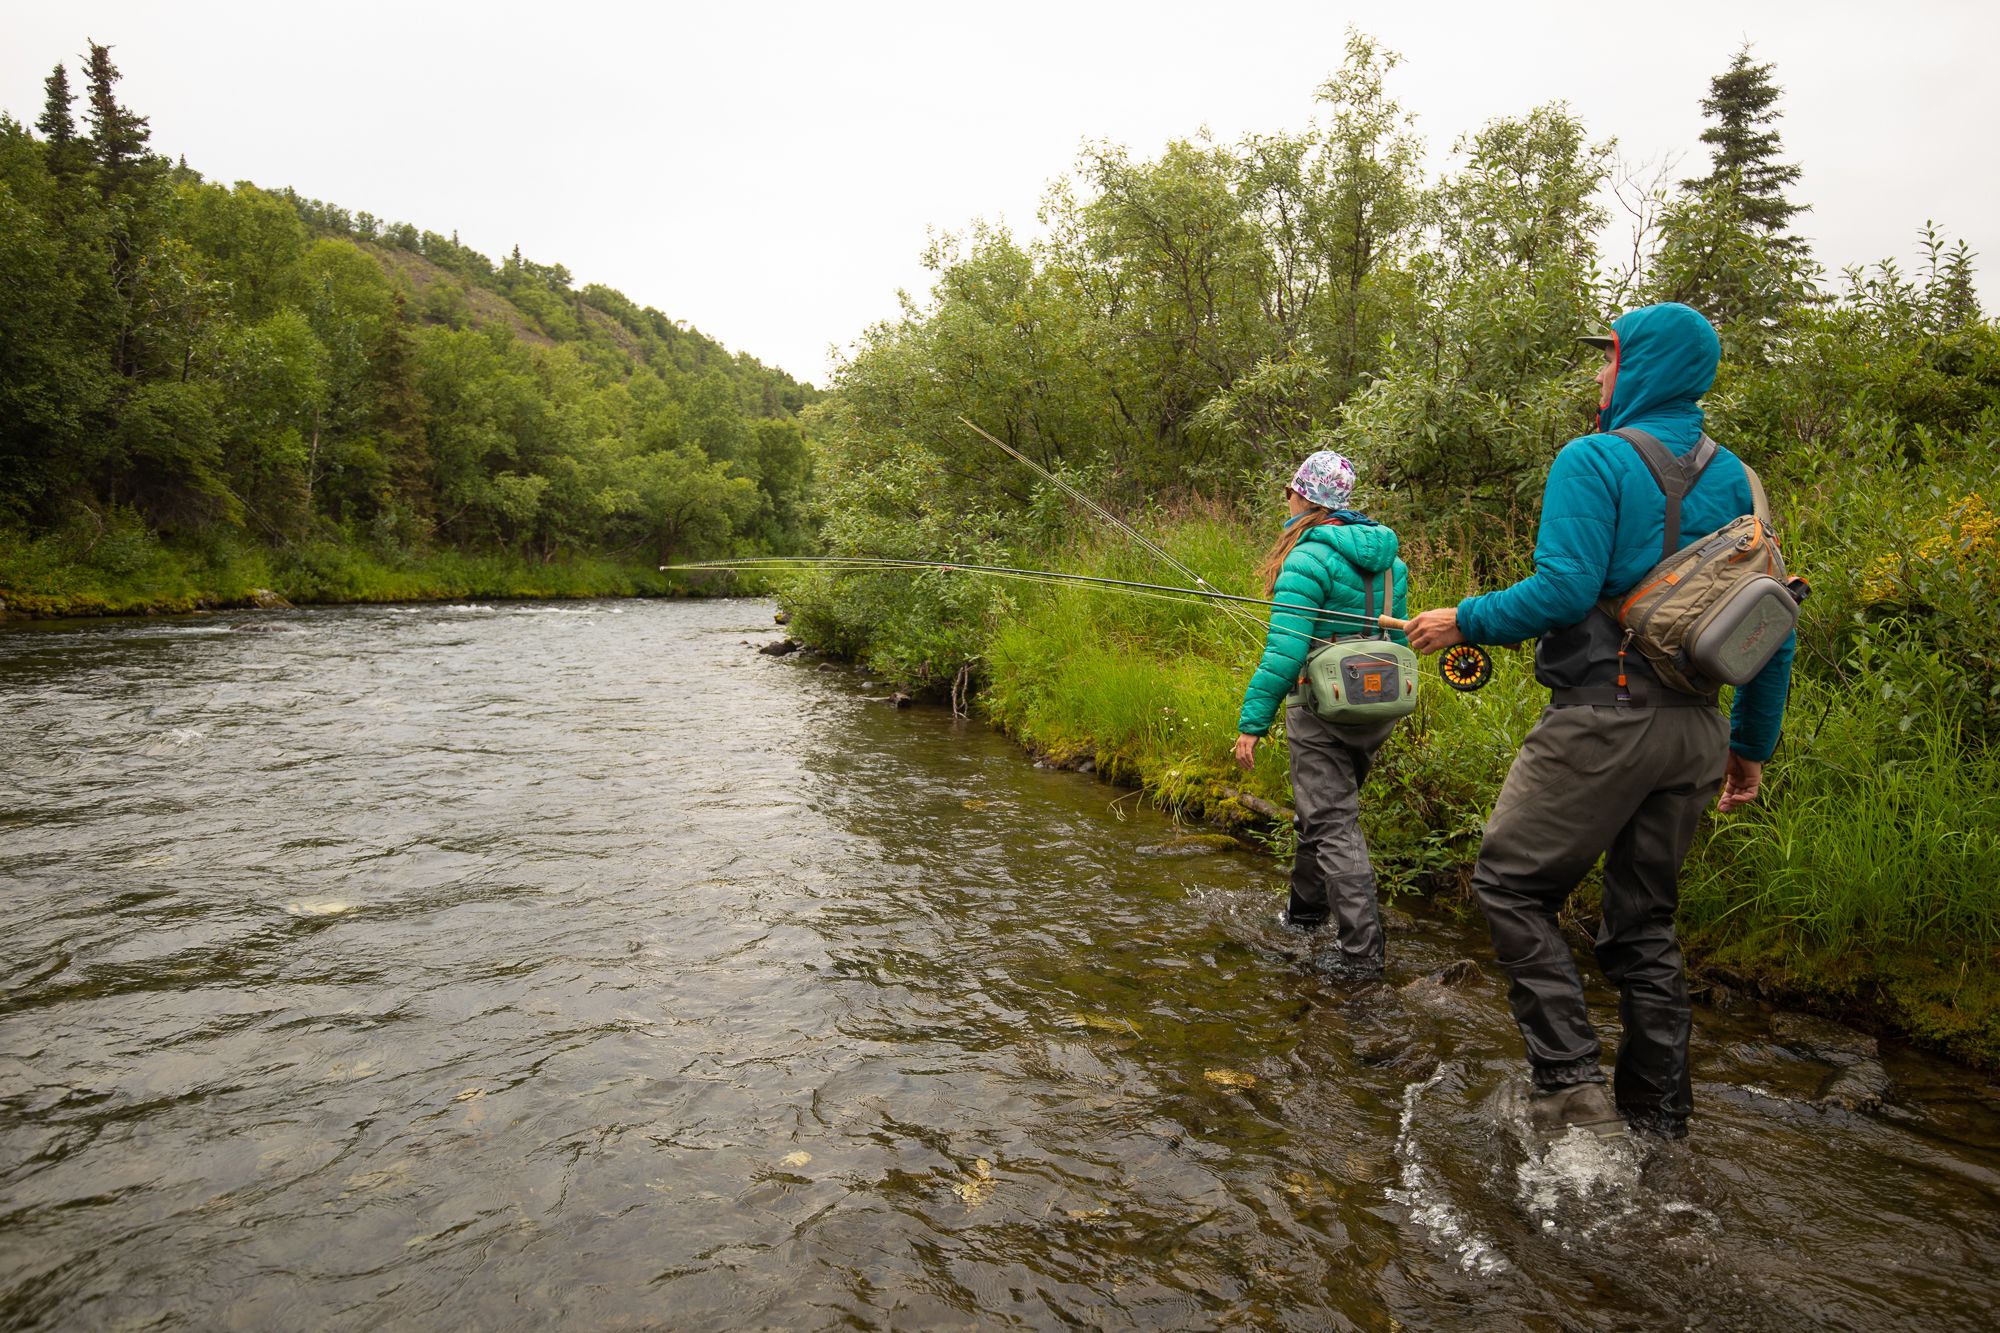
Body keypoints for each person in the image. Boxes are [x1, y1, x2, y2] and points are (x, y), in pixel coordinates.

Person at [1404, 301, 1794, 1139]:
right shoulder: (1746, 484)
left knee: (1510, 883)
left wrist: (1460, 619)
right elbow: (1772, 626)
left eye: (1609, 357)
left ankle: (1572, 1087)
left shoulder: (1592, 459)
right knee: (1645, 926)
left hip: (1601, 719)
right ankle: (1658, 1123)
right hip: (1695, 736)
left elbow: (1564, 591)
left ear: (1642, 364)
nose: (1600, 373)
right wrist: (1749, 746)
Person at [1234, 449, 1410, 979]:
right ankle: (1305, 917)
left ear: (1305, 497)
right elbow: (1387, 631)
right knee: (1322, 813)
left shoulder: (1307, 559)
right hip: (1377, 705)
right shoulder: (1391, 560)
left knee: (1333, 822)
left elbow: (1285, 653)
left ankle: (1363, 955)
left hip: (1320, 709)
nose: (1285, 499)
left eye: (1289, 491)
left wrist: (1251, 723)